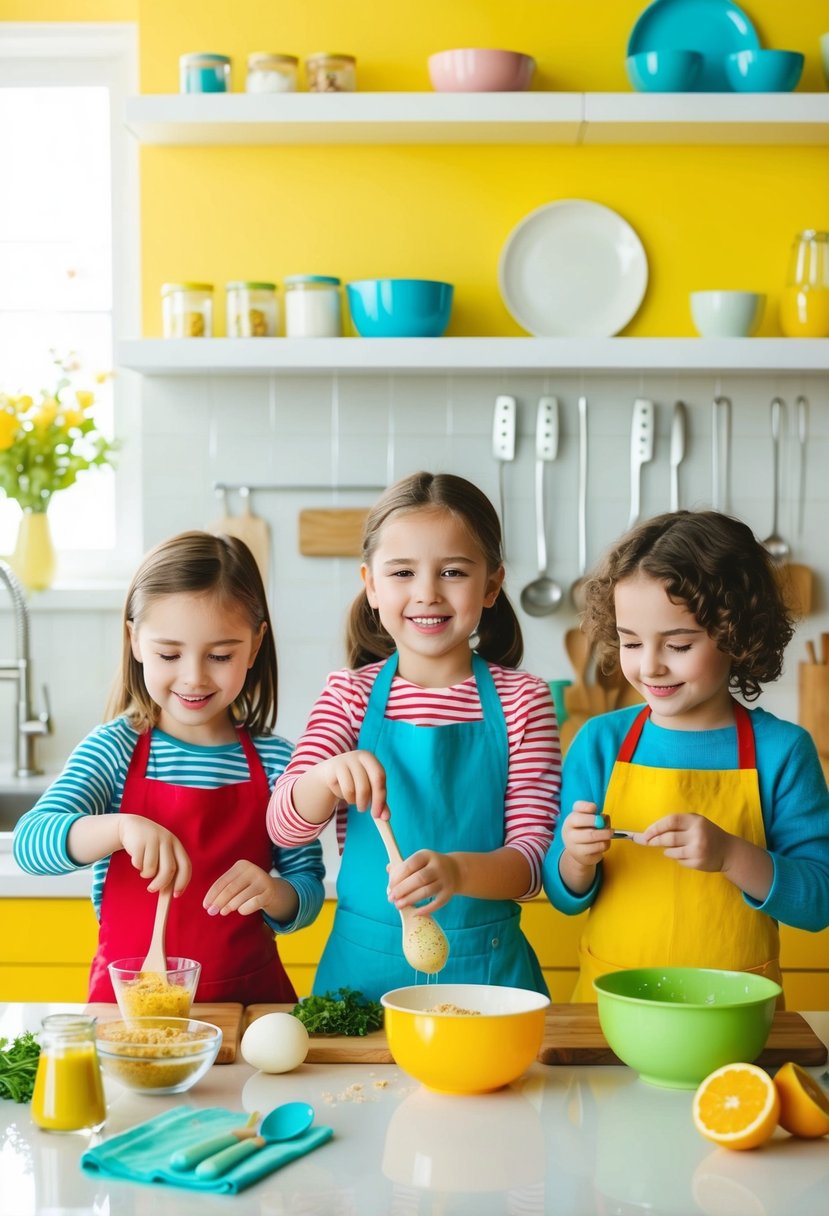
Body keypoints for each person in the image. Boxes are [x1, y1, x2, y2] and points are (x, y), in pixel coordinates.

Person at [268, 471, 560, 1001]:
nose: (427, 593)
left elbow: (535, 862)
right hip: (359, 979)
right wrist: (325, 777)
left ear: (491, 584)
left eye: (452, 571)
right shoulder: (349, 697)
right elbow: (283, 826)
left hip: (489, 981)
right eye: (402, 572)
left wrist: (458, 872)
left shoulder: (524, 701)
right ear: (371, 585)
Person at [13, 531, 324, 1004]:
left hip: (250, 1006)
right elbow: (30, 845)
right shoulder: (114, 750)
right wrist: (120, 828)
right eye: (169, 654)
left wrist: (274, 893)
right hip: (128, 1012)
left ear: (255, 645)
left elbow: (308, 889)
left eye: (220, 655)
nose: (194, 676)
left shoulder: (279, 761)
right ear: (135, 638)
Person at [542, 509, 829, 1002]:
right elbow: (562, 893)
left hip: (736, 1013)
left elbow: (818, 900)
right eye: (631, 642)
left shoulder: (782, 751)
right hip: (610, 1008)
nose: (649, 664)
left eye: (677, 644)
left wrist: (731, 855)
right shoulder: (600, 742)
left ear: (737, 633)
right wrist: (576, 858)